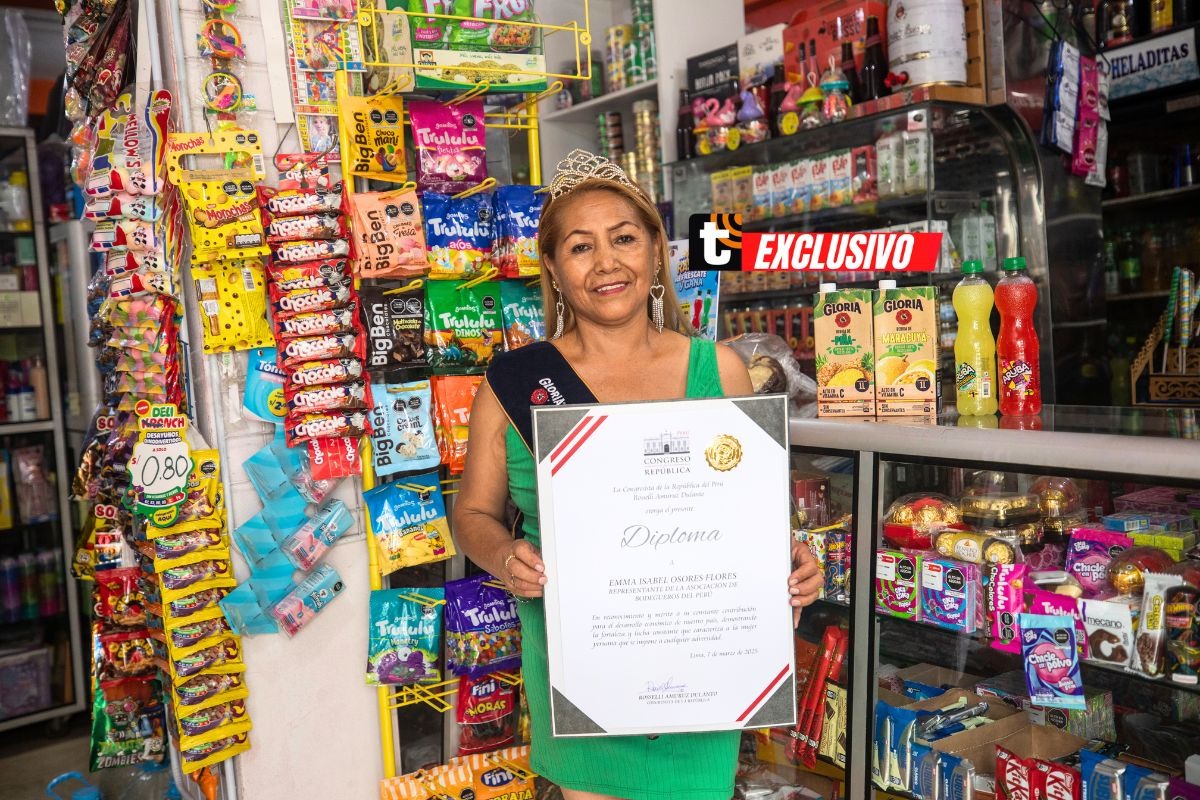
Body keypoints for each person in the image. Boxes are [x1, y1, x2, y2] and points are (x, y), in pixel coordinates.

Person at [452, 149, 824, 800]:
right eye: (580, 247)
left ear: (654, 252)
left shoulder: (720, 370)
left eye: (623, 238)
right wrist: (505, 554)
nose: (606, 263)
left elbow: (752, 517)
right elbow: (472, 515)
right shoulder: (515, 383)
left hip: (703, 677)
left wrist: (792, 561)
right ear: (553, 268)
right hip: (584, 680)